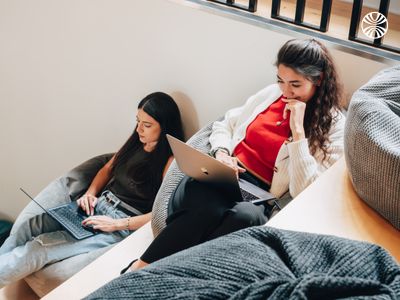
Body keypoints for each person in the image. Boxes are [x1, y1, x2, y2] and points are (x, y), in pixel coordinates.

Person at [126, 38, 346, 272]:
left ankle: (171, 270)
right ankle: (143, 267)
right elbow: (224, 124)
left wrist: (299, 132)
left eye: (296, 84)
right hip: (226, 174)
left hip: (260, 194)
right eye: (281, 80)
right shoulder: (271, 95)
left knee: (245, 218)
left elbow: (305, 191)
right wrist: (222, 152)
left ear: (318, 80)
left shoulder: (334, 126)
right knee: (206, 200)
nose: (286, 91)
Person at [0, 92, 184, 288]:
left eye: (147, 125)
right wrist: (90, 193)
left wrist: (117, 224)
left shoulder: (170, 162)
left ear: (165, 126)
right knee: (30, 226)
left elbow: (161, 213)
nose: (139, 129)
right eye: (137, 121)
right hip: (96, 205)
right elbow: (106, 169)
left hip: (117, 224)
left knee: (40, 247)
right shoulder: (134, 144)